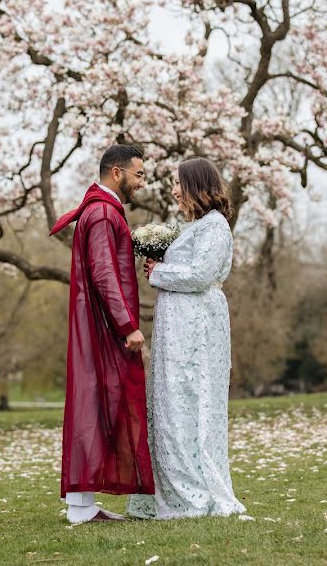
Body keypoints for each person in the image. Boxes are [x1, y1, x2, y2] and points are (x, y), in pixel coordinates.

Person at [127, 157, 246, 520]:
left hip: (197, 328)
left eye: (179, 184)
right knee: (170, 403)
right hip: (175, 324)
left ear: (196, 186)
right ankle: (172, 491)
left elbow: (200, 275)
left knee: (190, 402)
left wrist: (160, 271)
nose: (174, 191)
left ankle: (194, 494)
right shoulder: (194, 227)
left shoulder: (214, 227)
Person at [49, 144, 155, 523]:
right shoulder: (101, 214)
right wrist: (127, 326)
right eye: (138, 174)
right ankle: (80, 509)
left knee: (96, 406)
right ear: (116, 173)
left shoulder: (102, 212)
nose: (143, 182)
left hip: (99, 324)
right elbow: (104, 273)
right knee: (96, 405)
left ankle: (83, 506)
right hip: (102, 328)